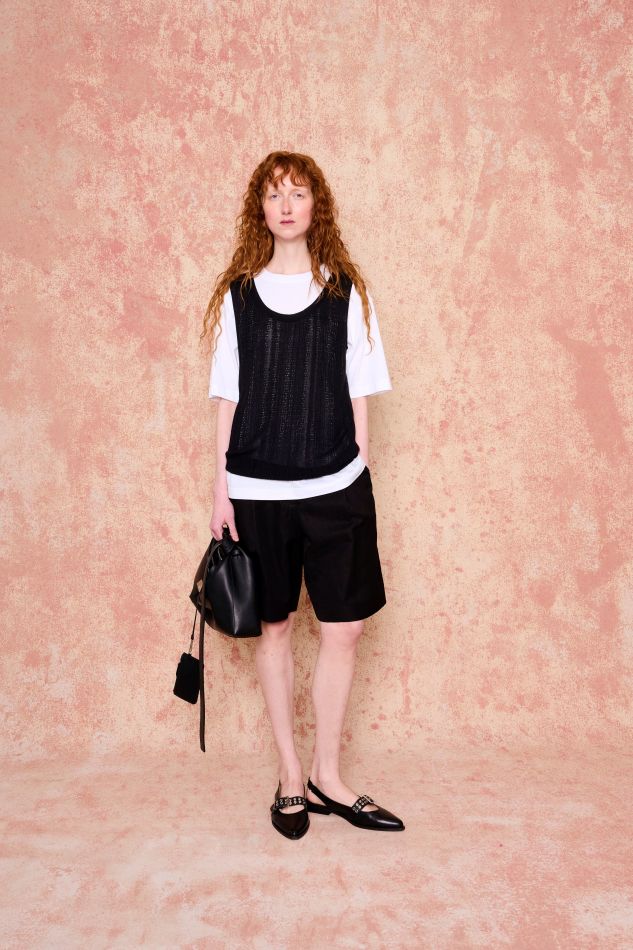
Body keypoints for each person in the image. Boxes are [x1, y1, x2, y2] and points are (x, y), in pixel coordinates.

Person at [201, 150, 405, 839]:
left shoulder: (347, 291)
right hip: (256, 488)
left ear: (317, 206)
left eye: (297, 193)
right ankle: (291, 774)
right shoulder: (237, 297)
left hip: (336, 484)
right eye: (273, 194)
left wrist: (360, 469)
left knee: (344, 628)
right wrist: (221, 490)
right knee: (276, 627)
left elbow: (360, 392)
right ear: (258, 210)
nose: (286, 205)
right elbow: (227, 398)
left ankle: (327, 775)